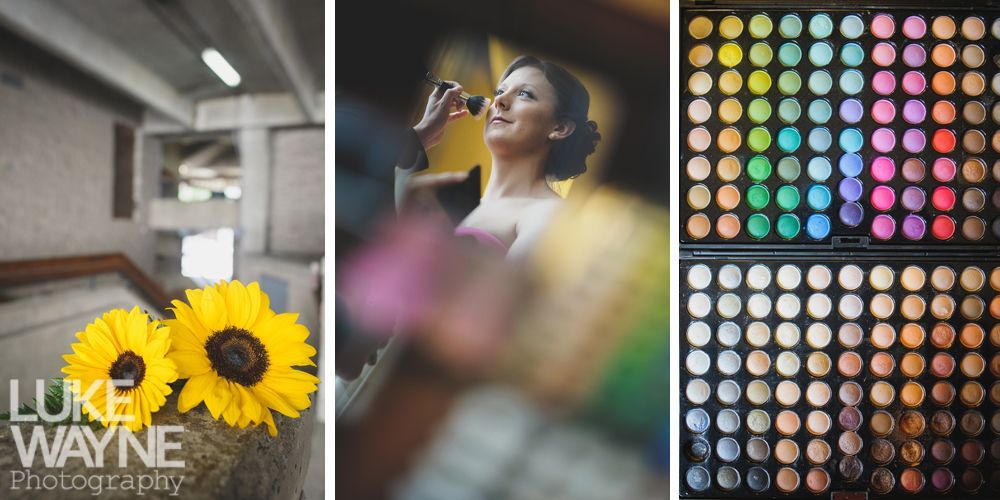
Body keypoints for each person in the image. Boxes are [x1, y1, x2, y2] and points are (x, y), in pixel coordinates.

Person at [398, 55, 601, 257]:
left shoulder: (550, 215)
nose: (499, 100)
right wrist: (423, 134)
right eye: (500, 91)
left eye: (524, 93)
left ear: (560, 127)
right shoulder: (460, 207)